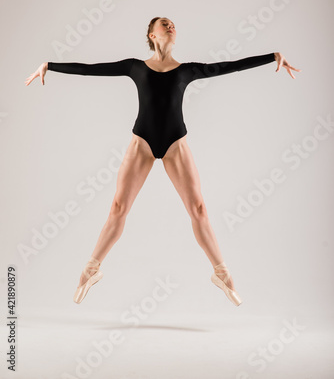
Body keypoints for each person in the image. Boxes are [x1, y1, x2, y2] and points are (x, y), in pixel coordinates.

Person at [25, 16, 301, 306]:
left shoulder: (188, 70)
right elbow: (93, 70)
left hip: (175, 143)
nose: (171, 26)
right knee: (118, 208)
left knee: (199, 209)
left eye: (173, 24)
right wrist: (50, 66)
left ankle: (222, 274)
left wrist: (273, 57)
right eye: (164, 24)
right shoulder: (135, 67)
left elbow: (228, 67)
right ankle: (89, 271)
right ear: (152, 35)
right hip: (142, 142)